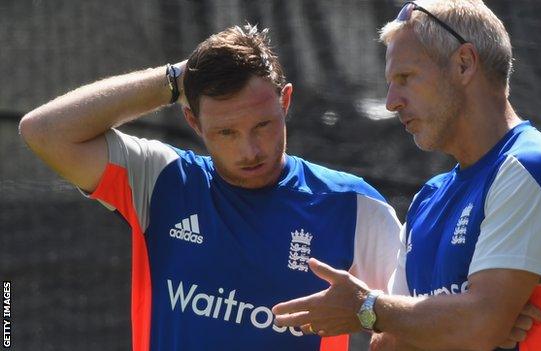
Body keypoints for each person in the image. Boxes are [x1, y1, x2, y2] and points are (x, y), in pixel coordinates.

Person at [18, 25, 403, 350]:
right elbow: (45, 132)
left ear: (285, 101)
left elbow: (418, 324)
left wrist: (368, 310)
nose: (249, 150)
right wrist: (174, 79)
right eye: (226, 132)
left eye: (263, 126)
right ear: (193, 121)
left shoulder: (354, 207)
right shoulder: (160, 178)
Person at [272, 1, 541, 350]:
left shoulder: (533, 167)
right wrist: (452, 324)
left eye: (405, 78)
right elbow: (386, 344)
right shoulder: (427, 200)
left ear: (464, 64)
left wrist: (366, 307)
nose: (391, 102)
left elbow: (480, 323)